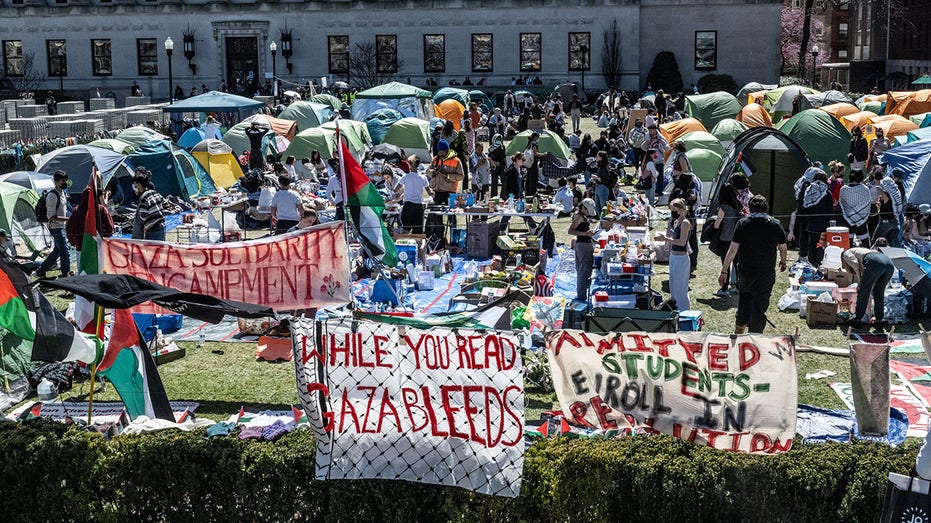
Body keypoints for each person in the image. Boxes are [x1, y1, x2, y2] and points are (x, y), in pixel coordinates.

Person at [719, 195, 788, 333]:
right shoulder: (775, 223)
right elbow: (783, 247)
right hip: (765, 272)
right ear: (766, 208)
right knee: (759, 305)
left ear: (750, 208)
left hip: (746, 271)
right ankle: (754, 337)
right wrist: (783, 261)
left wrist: (724, 270)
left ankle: (739, 334)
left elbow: (733, 250)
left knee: (744, 301)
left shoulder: (743, 223)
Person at [842, 238, 895, 327]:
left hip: (874, 262)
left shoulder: (846, 253)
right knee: (879, 292)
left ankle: (857, 319)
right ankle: (879, 320)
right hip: (889, 264)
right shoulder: (863, 251)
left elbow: (854, 264)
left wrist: (860, 281)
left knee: (863, 291)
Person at [656, 198, 692, 310]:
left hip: (681, 258)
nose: (672, 213)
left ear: (681, 210)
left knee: (681, 287)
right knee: (673, 286)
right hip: (674, 256)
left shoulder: (685, 223)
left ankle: (684, 311)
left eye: (674, 210)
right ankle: (676, 308)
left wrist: (665, 239)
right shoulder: (676, 222)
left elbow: (682, 242)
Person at [36, 171, 71, 279]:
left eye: (66, 181)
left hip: (62, 226)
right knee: (65, 252)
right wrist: (67, 219)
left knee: (57, 251)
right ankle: (66, 275)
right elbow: (50, 216)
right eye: (62, 181)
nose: (64, 183)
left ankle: (41, 270)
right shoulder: (52, 195)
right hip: (55, 227)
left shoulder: (63, 193)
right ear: (56, 182)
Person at [713, 180, 741, 297]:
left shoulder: (723, 207)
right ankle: (738, 286)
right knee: (737, 263)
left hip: (725, 238)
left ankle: (724, 289)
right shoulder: (737, 205)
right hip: (736, 239)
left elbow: (716, 225)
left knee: (726, 264)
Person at [801, 169, 833, 267]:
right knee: (820, 244)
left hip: (811, 223)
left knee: (811, 243)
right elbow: (830, 211)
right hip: (823, 224)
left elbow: (805, 207)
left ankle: (811, 261)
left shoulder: (809, 190)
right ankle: (819, 262)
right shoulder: (827, 193)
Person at [568, 198, 596, 302]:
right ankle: (581, 294)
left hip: (585, 243)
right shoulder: (579, 217)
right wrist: (586, 234)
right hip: (583, 245)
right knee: (583, 271)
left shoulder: (581, 216)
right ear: (583, 208)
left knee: (585, 270)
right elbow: (571, 231)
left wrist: (591, 237)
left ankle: (583, 292)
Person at [131, 168, 169, 241]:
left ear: (139, 185)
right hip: (162, 225)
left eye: (135, 185)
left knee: (153, 249)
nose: (135, 187)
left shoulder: (143, 198)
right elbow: (165, 204)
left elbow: (143, 215)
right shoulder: (155, 192)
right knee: (160, 248)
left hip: (152, 229)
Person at [427, 139, 464, 210]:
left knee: (452, 214)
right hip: (437, 191)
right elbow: (427, 171)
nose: (441, 154)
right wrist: (433, 172)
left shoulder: (456, 160)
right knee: (435, 214)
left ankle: (452, 221)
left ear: (447, 150)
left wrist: (447, 175)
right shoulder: (435, 159)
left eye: (442, 152)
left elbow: (461, 176)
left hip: (449, 191)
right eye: (440, 152)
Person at [839, 168, 872, 244]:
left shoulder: (843, 189)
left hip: (847, 219)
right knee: (865, 244)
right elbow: (867, 203)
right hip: (861, 220)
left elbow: (842, 204)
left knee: (848, 244)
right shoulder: (865, 189)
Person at [399, 165, 432, 234]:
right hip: (418, 206)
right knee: (417, 231)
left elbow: (396, 189)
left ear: (410, 166)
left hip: (408, 205)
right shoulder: (423, 177)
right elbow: (430, 192)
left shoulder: (405, 176)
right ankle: (418, 243)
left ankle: (405, 243)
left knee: (406, 229)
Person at [873, 172, 903, 247]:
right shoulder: (896, 192)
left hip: (885, 221)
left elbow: (882, 195)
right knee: (890, 242)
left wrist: (878, 187)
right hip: (895, 221)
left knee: (875, 241)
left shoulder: (886, 194)